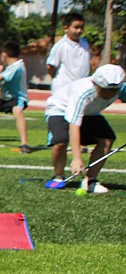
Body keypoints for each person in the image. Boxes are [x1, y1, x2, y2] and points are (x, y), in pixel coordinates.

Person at [44, 64, 125, 193]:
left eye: (114, 91)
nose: (109, 94)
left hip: (90, 112)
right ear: (95, 84)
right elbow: (74, 125)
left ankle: (91, 180)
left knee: (107, 138)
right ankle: (58, 176)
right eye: (105, 91)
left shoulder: (120, 88)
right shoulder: (83, 92)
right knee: (60, 142)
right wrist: (77, 158)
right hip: (59, 109)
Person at [46, 12, 92, 93]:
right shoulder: (61, 45)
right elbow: (51, 66)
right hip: (63, 88)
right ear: (66, 28)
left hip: (81, 88)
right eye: (76, 27)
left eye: (81, 28)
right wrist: (57, 79)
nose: (79, 30)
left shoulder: (85, 43)